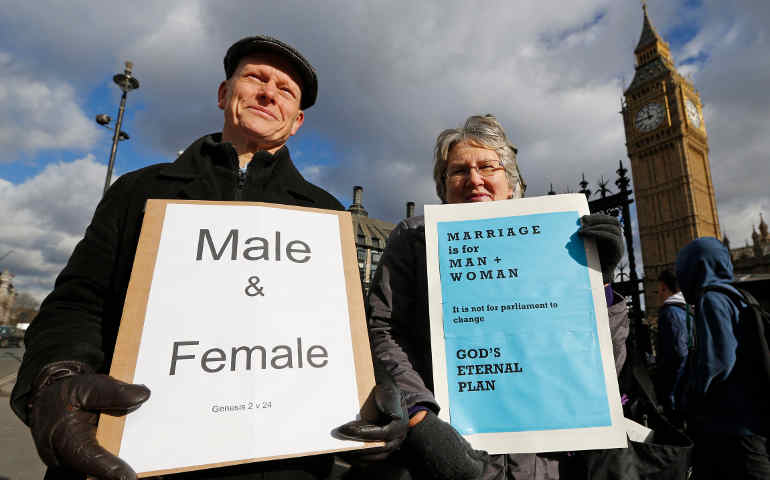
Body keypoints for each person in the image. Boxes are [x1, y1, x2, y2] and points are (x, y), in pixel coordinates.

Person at [11, 36, 407, 480]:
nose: (267, 92)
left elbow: (343, 326)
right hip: (134, 454)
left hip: (284, 465)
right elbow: (77, 302)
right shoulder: (139, 191)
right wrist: (57, 378)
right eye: (256, 77)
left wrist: (376, 388)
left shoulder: (324, 214)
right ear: (224, 94)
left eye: (284, 89)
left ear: (296, 122)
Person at [357, 114, 629, 479]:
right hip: (444, 453)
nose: (474, 179)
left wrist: (601, 287)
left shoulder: (556, 243)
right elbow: (383, 330)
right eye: (458, 171)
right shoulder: (411, 239)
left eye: (488, 166)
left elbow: (603, 366)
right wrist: (419, 414)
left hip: (541, 459)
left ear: (511, 182)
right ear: (443, 186)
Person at [675, 237, 769, 479]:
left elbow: (718, 361)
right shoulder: (738, 296)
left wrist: (692, 395)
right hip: (750, 416)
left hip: (730, 422)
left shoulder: (711, 298)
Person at [655, 269, 689, 417]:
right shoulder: (687, 310)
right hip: (689, 390)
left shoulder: (670, 313)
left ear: (663, 287)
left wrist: (670, 396)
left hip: (677, 394)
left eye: (659, 289)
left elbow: (678, 354)